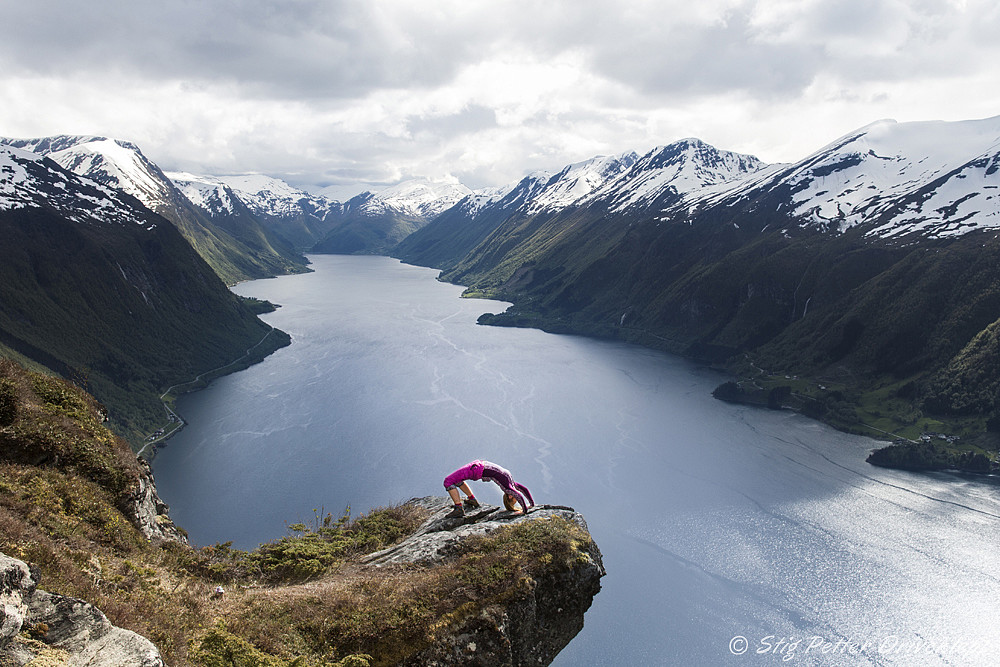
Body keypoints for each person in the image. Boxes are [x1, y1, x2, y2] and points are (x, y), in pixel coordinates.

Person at [443, 460, 534, 518]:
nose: (514, 495)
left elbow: (523, 490)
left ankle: (459, 508)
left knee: (448, 481)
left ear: (509, 497)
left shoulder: (510, 484)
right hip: (477, 468)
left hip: (478, 467)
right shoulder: (509, 487)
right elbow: (520, 493)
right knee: (453, 480)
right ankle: (472, 500)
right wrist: (525, 510)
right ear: (510, 497)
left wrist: (530, 504)